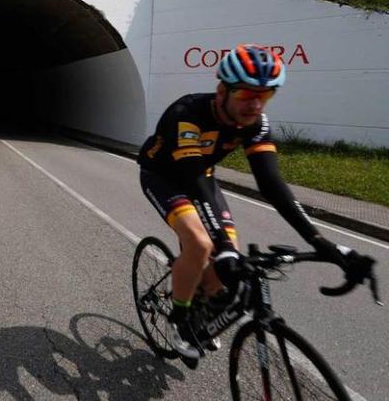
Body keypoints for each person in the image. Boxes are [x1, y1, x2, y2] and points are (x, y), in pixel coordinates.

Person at [137, 44, 369, 359]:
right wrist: (223, 247)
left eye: (266, 95)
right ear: (222, 91)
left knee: (227, 251)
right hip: (164, 176)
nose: (256, 105)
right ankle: (179, 317)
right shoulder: (186, 113)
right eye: (246, 95)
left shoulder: (255, 124)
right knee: (201, 244)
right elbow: (192, 177)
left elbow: (272, 185)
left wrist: (323, 243)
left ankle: (199, 306)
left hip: (201, 176)